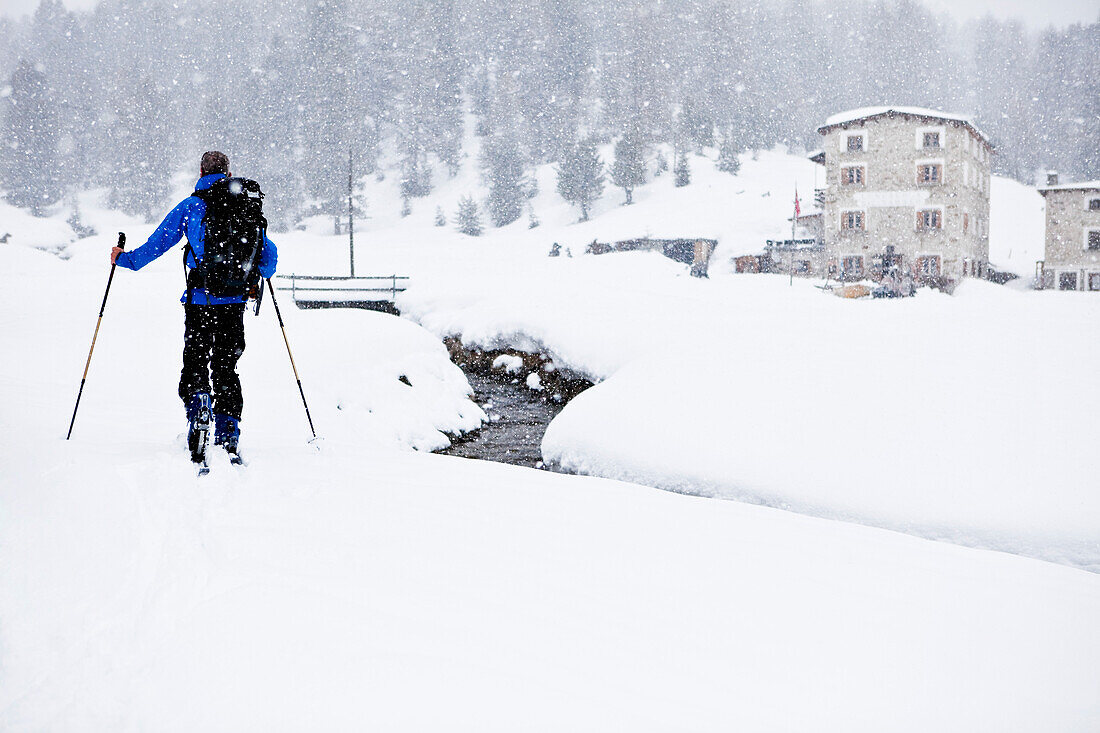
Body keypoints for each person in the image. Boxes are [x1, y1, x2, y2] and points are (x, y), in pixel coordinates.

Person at [111, 151, 277, 461]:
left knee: (196, 360)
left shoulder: (191, 207)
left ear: (201, 170)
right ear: (228, 173)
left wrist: (124, 259)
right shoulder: (245, 205)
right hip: (234, 303)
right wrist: (252, 274)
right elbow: (269, 260)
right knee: (227, 367)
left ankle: (199, 403)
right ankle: (228, 429)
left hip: (200, 300)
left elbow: (156, 245)